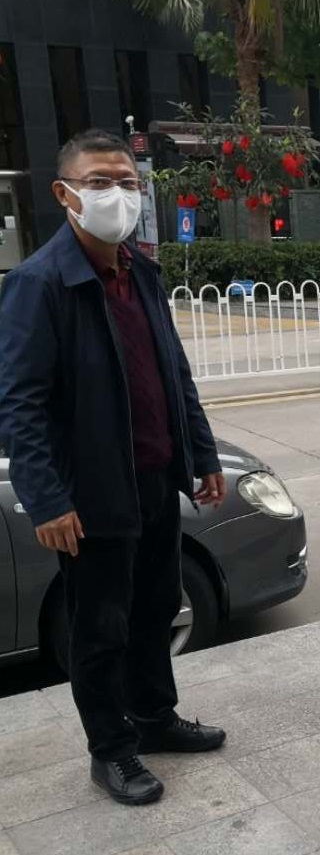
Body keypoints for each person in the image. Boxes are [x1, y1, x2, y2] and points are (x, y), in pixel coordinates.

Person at [0, 129, 227, 807]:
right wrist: (46, 498)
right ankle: (111, 750)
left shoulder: (141, 271)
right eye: (99, 182)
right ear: (64, 193)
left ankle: (154, 717)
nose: (117, 195)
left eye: (127, 183)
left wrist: (201, 453)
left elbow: (174, 373)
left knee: (156, 607)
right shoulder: (39, 283)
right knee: (99, 628)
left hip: (155, 477)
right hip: (92, 492)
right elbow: (19, 402)